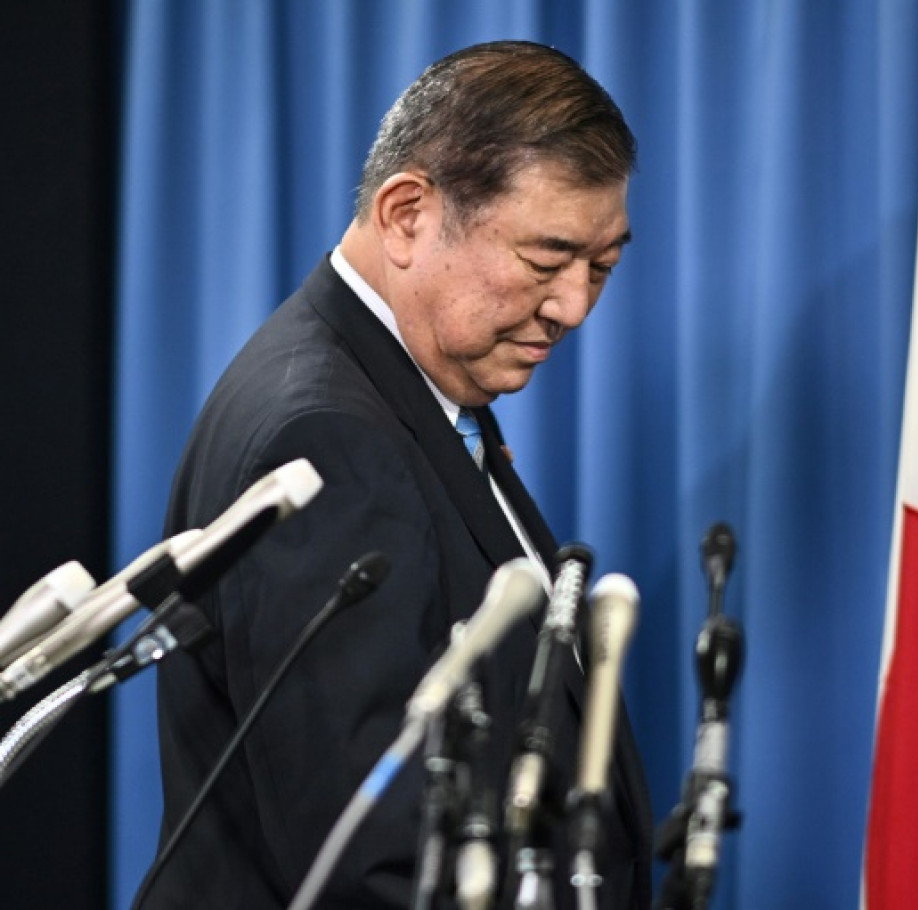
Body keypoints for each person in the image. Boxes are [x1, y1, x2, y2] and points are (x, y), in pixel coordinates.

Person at [142, 41, 653, 909]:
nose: (573, 307)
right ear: (408, 213)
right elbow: (374, 858)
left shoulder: (404, 381)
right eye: (545, 261)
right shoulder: (327, 434)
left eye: (600, 268)